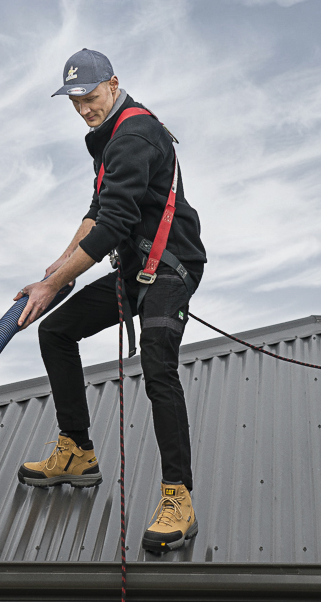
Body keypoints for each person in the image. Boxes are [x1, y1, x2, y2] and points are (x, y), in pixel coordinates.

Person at [13, 48, 208, 553]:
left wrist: (53, 285)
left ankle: (178, 497)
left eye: (90, 97)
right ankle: (77, 450)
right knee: (55, 331)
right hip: (134, 269)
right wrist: (55, 270)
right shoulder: (108, 139)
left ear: (114, 84)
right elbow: (98, 210)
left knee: (158, 364)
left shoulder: (136, 134)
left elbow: (115, 224)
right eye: (74, 101)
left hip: (169, 268)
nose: (83, 109)